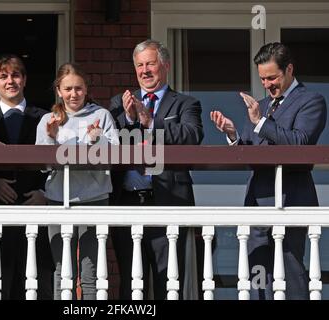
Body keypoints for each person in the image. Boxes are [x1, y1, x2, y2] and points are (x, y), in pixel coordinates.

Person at [210, 42, 327, 300]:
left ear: (289, 70)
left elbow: (300, 142)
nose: (267, 84)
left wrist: (260, 122)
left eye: (272, 77)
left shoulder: (311, 101)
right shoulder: (260, 106)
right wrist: (233, 135)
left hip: (291, 199)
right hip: (258, 199)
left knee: (290, 268)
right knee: (258, 270)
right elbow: (253, 152)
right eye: (262, 78)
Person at [109, 39, 204, 300]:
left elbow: (191, 135)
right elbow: (110, 144)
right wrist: (128, 119)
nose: (144, 70)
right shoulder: (120, 103)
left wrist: (151, 122)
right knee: (131, 281)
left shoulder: (185, 103)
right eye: (139, 65)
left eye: (150, 63)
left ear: (166, 66)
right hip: (127, 203)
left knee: (168, 280)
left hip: (167, 202)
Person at [0, 54, 54, 300]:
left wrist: (45, 193)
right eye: (3, 76)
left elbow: (55, 160)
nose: (10, 81)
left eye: (15, 75)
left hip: (37, 214)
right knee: (0, 287)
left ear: (25, 80)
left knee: (39, 287)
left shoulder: (44, 117)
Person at [35, 62, 119, 300]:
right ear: (59, 91)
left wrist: (96, 140)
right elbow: (43, 166)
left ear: (86, 89)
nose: (74, 94)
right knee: (63, 273)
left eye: (78, 89)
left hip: (95, 198)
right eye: (68, 89)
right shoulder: (48, 120)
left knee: (91, 274)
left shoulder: (101, 116)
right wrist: (52, 140)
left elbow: (113, 157)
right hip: (59, 200)